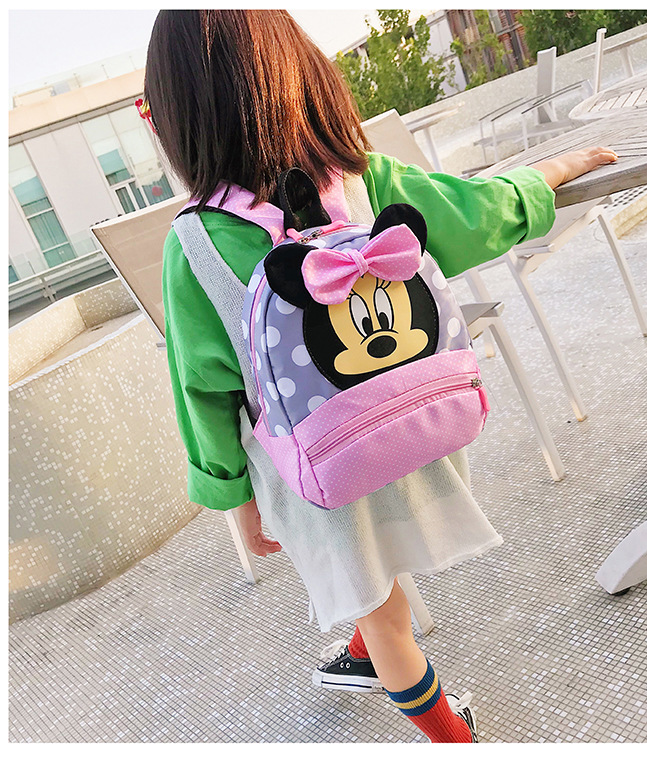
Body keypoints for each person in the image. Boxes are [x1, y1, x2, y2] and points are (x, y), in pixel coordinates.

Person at [145, 9, 617, 744]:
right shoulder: (364, 179)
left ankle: (451, 734)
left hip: (310, 468)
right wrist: (551, 174)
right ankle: (369, 656)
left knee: (385, 616)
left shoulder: (193, 245)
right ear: (304, 72)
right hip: (408, 421)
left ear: (179, 117)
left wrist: (233, 496)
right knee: (381, 563)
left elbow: (203, 389)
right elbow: (473, 216)